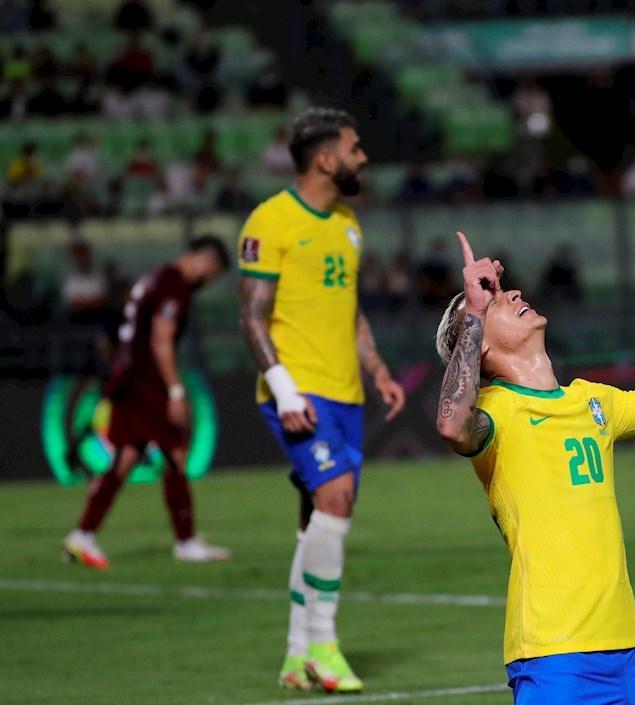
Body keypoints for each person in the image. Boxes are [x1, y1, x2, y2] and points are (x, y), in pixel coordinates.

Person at [434, 220, 635, 705]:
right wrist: (472, 310)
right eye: (496, 301)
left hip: (632, 649)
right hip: (554, 655)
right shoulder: (496, 414)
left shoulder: (590, 401)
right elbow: (452, 424)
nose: (511, 293)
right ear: (481, 348)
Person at [237, 107, 406, 694]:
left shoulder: (347, 223)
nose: (363, 158)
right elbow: (252, 317)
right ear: (326, 158)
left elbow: (349, 308)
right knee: (335, 498)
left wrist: (378, 370)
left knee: (317, 518)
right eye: (355, 148)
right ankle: (325, 647)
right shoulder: (271, 220)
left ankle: (294, 654)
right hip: (297, 389)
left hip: (346, 393)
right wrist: (283, 390)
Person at [62, 236, 232, 568]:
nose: (208, 281)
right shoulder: (174, 285)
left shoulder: (156, 277)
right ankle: (186, 542)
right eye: (212, 274)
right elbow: (161, 340)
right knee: (175, 453)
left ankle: (82, 536)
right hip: (146, 382)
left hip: (126, 376)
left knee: (127, 456)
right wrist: (175, 391)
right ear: (206, 261)